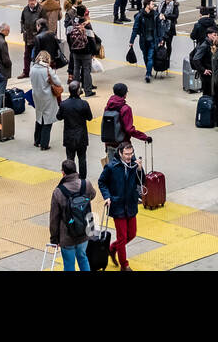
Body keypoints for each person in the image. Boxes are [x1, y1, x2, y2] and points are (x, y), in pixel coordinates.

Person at [98, 139, 145, 271]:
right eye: (126, 154)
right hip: (117, 205)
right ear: (120, 153)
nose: (129, 157)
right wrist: (107, 197)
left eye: (131, 153)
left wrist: (140, 170)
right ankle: (124, 265)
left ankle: (112, 248)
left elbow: (142, 182)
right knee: (122, 236)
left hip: (130, 204)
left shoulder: (134, 165)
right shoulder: (111, 167)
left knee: (132, 234)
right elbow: (102, 182)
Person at [50, 157, 97, 271]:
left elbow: (54, 218)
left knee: (69, 264)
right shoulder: (86, 184)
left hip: (67, 236)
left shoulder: (58, 192)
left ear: (63, 173)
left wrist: (54, 239)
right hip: (85, 231)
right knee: (83, 257)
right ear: (76, 170)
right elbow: (93, 195)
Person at [102, 83, 151, 163]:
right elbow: (129, 129)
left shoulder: (107, 107)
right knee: (133, 169)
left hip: (109, 144)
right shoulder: (125, 109)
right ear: (125, 94)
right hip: (123, 145)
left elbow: (106, 127)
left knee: (113, 171)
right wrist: (144, 137)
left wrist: (106, 145)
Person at [58, 81, 93, 178]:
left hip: (69, 136)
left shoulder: (64, 104)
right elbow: (89, 118)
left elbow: (59, 117)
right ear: (78, 91)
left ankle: (70, 177)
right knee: (82, 159)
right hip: (81, 136)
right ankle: (82, 179)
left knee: (70, 159)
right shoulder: (84, 104)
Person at [30, 50, 64, 150]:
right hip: (47, 97)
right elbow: (58, 82)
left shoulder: (32, 68)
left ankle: (37, 141)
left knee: (39, 117)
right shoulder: (47, 69)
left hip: (36, 95)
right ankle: (44, 144)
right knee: (48, 120)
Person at [131, 0, 160, 83]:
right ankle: (149, 70)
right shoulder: (139, 16)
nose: (154, 6)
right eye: (152, 4)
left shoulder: (155, 15)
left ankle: (148, 73)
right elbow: (135, 29)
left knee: (150, 57)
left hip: (152, 39)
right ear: (147, 5)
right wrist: (131, 41)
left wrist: (160, 39)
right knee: (145, 56)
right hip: (143, 40)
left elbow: (159, 28)